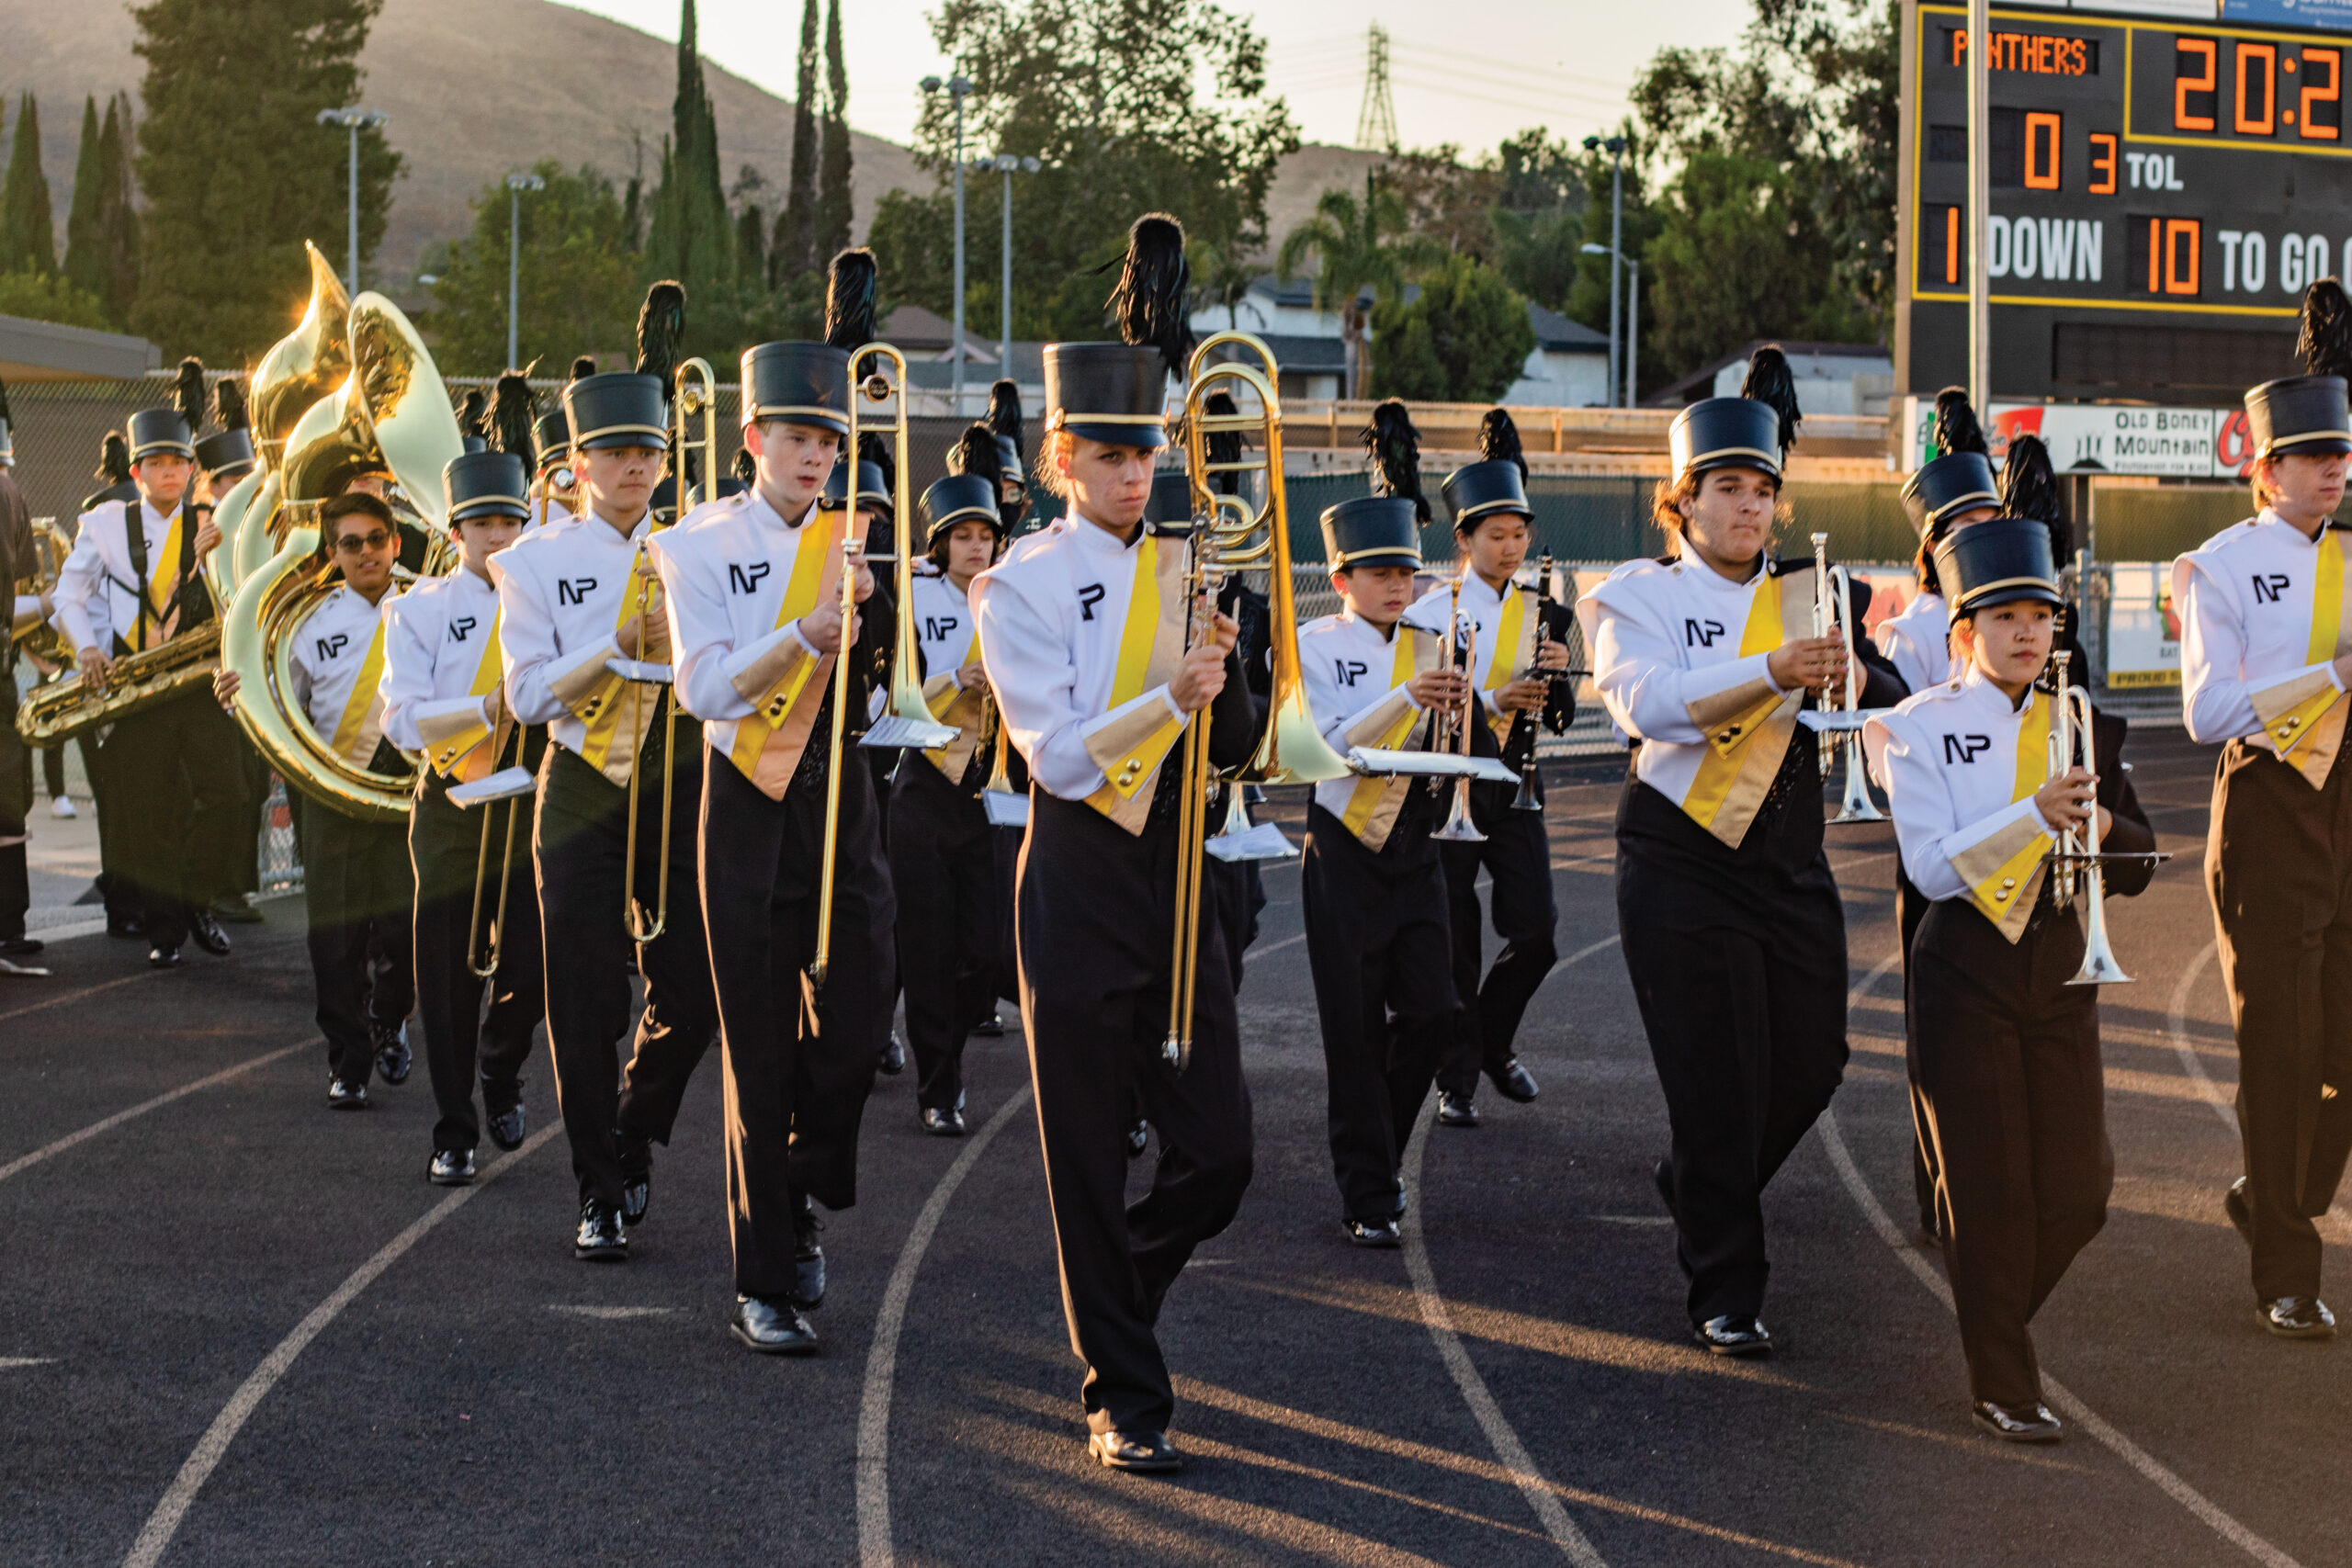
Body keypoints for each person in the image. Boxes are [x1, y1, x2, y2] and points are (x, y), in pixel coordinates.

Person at [972, 213, 1257, 1472]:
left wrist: (1229, 668)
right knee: (1086, 1149)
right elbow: (1061, 755)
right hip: (1080, 871)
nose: (1133, 474)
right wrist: (1173, 693)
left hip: (1181, 868)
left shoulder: (1196, 560)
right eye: (1107, 454)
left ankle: (1114, 1301)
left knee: (1221, 1152)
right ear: (1058, 457)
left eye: (1147, 451)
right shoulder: (1016, 582)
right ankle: (1124, 1391)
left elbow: (1239, 737)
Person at [1577, 347, 1873, 1356]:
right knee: (1716, 1081)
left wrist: (1856, 679)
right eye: (1727, 489)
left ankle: (1701, 1181)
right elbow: (1644, 704)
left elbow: (1872, 692)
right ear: (1683, 500)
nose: (1748, 508)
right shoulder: (1638, 592)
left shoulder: (1810, 592)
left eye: (1761, 491)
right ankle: (1725, 1288)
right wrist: (1769, 668)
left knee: (1815, 1065)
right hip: (1678, 860)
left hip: (1787, 853)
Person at [651, 249, 893, 1353]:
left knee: (852, 1024)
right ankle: (766, 1277)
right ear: (752, 439)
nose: (815, 457)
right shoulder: (695, 542)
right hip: (744, 799)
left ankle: (800, 1193)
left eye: (830, 441)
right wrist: (800, 635)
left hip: (842, 803)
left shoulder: (858, 541)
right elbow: (700, 688)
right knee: (754, 1045)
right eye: (797, 437)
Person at [1867, 516, 2154, 1440]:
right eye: (2004, 618)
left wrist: (2102, 827)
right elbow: (1930, 870)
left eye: (2040, 616)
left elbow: (2141, 862)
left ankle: (1987, 1319)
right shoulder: (1915, 726)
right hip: (1963, 976)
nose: (2027, 634)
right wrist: (2034, 816)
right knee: (1988, 1190)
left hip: (2062, 974)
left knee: (2080, 1190)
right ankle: (2003, 1376)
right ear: (1964, 634)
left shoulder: (2083, 722)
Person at [494, 283, 721, 1261]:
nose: (635, 468)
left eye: (649, 452)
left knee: (699, 985)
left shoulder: (695, 549)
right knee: (581, 1001)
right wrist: (616, 644)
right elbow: (524, 698)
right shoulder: (535, 560)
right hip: (583, 781)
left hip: (676, 774)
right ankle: (596, 1187)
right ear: (578, 462)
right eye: (616, 453)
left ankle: (634, 1131)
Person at [2172, 276, 2352, 1340]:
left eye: (2343, 453)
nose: (2335, 471)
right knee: (2280, 1051)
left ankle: (2272, 1196)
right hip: (2269, 808)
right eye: (2314, 456)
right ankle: (2286, 1266)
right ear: (2265, 467)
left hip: (2351, 806)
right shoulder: (2222, 566)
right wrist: (2323, 678)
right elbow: (2205, 711)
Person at [1295, 437, 1461, 1245]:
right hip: (1343, 852)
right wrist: (1404, 696)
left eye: (1406, 572)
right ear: (1341, 581)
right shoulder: (1314, 646)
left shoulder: (1435, 637)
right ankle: (1368, 1190)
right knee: (1354, 1031)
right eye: (1379, 573)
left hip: (1417, 845)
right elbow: (1321, 749)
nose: (1398, 585)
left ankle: (1380, 1153)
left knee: (1434, 1013)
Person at [382, 375, 548, 1183]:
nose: (497, 537)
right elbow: (399, 718)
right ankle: (453, 1128)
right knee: (444, 982)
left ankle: (502, 1067)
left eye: (510, 522)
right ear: (456, 532)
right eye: (482, 524)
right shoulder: (416, 609)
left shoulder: (546, 598)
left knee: (534, 964)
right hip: (450, 804)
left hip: (526, 804)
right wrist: (480, 708)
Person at [215, 491, 416, 1105]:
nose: (365, 552)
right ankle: (349, 1060)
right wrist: (237, 696)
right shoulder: (309, 623)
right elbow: (281, 706)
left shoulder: (429, 605)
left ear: (395, 542)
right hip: (333, 793)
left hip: (410, 791)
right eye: (350, 543)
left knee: (409, 933)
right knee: (335, 938)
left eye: (375, 539)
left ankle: (389, 1015)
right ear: (332, 553)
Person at [1420, 406, 1574, 1129]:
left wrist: (1562, 674)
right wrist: (1491, 695)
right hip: (1448, 780)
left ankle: (1491, 1039)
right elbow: (1421, 703)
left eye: (1520, 535)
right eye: (1496, 535)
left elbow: (1563, 714)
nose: (1511, 548)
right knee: (1455, 936)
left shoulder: (1547, 607)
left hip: (1515, 783)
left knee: (1538, 930)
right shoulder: (1431, 609)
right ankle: (1458, 1076)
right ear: (1464, 539)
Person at [1879, 386, 2006, 1236]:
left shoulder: (2013, 609)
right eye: (1961, 523)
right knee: (1937, 1024)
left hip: (2011, 838)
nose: (1977, 532)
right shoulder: (1919, 625)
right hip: (1936, 841)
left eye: (1988, 517)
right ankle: (1937, 1181)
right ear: (1933, 541)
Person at [53, 402, 243, 967]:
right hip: (135, 687)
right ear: (135, 474)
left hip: (197, 684)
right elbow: (69, 594)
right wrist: (87, 646)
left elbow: (239, 601)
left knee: (230, 797)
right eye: (155, 464)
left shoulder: (215, 523)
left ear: (191, 470)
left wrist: (220, 564)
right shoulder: (105, 524)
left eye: (178, 463)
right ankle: (167, 934)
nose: (168, 473)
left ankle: (195, 898)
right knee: (148, 814)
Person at [892, 426, 1012, 1136]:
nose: (975, 546)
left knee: (991, 949)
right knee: (928, 948)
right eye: (961, 535)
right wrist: (951, 681)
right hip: (923, 785)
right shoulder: (913, 594)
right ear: (940, 542)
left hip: (989, 787)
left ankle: (951, 1050)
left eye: (985, 534)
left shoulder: (1012, 595)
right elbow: (889, 696)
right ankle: (940, 1085)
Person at [0, 371, 41, 965]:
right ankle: (8, 922)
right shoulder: (11, 489)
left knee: (8, 797)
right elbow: (28, 583)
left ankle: (8, 922)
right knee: (8, 796)